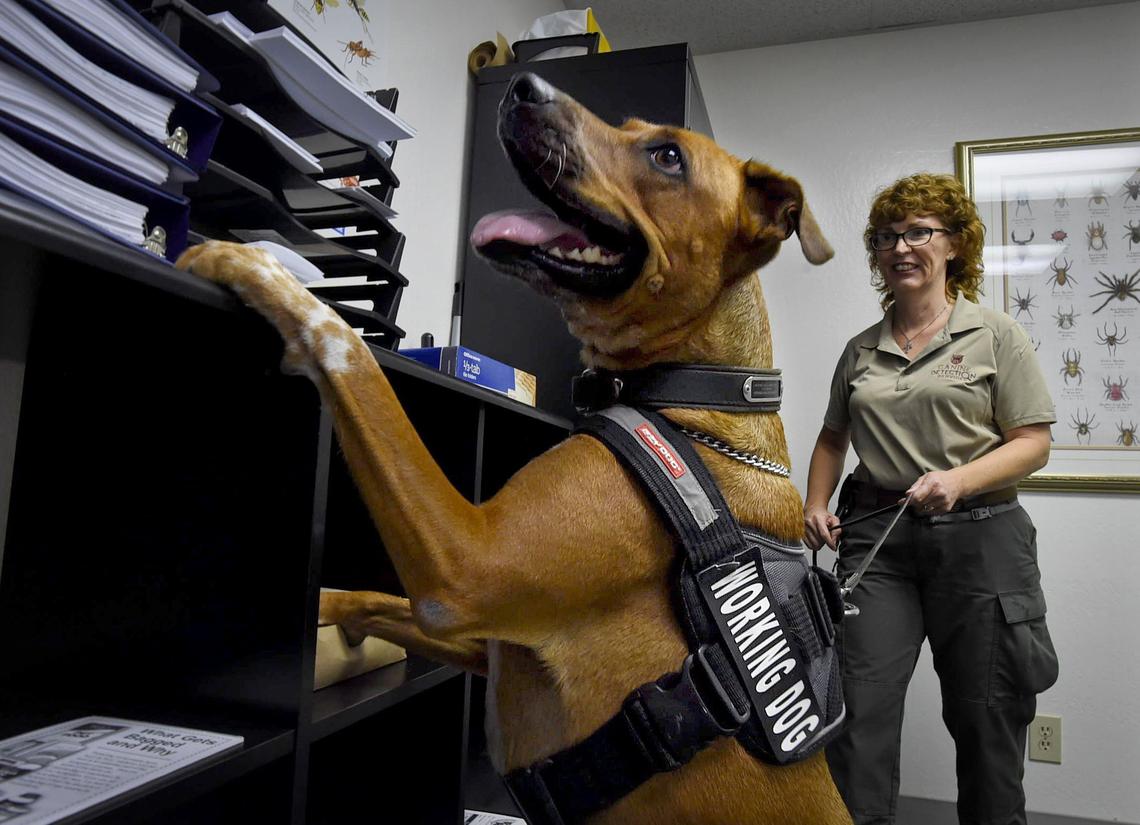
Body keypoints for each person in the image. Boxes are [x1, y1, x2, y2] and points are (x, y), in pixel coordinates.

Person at [803, 173, 1060, 825]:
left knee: (988, 714)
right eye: (887, 236)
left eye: (918, 231)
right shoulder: (861, 349)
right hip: (880, 541)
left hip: (983, 539)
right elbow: (834, 437)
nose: (900, 246)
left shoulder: (994, 335)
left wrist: (959, 479)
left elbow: (1032, 442)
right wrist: (815, 502)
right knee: (857, 710)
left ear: (954, 245)